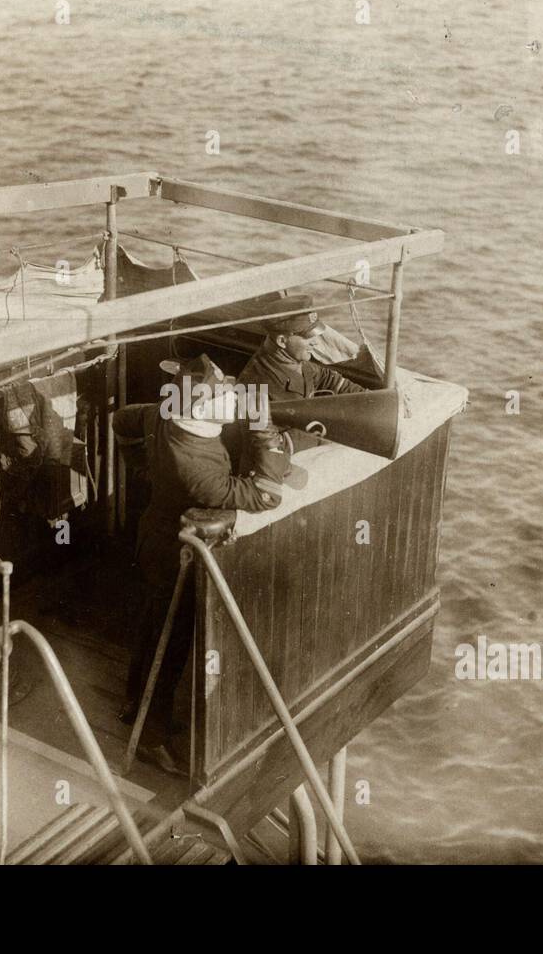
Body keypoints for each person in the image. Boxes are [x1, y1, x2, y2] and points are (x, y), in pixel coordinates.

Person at [112, 354, 290, 773]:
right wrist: (264, 429)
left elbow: (122, 420)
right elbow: (266, 494)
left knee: (153, 625)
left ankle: (133, 704)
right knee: (170, 645)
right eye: (223, 392)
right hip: (176, 554)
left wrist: (141, 468)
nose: (232, 393)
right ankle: (150, 738)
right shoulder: (194, 467)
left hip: (154, 536)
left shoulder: (167, 415)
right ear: (202, 407)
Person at [236, 294, 367, 401]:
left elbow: (328, 378)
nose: (315, 342)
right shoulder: (255, 386)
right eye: (308, 336)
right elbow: (259, 433)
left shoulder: (294, 361)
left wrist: (368, 397)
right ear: (282, 341)